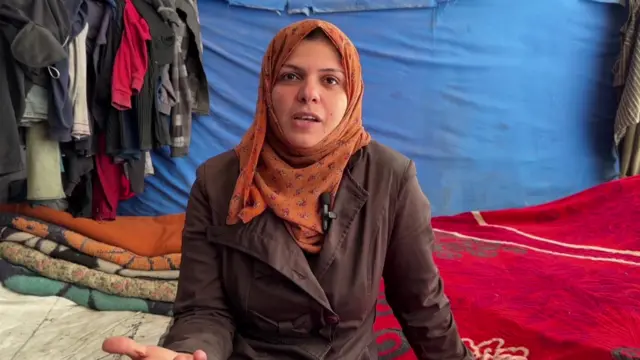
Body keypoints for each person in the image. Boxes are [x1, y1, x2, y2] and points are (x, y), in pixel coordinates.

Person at [102, 19, 472, 360]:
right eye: (291, 76)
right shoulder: (217, 182)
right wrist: (191, 353)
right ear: (268, 88)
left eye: (330, 80)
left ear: (353, 94)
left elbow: (420, 303)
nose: (308, 93)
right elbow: (204, 310)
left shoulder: (390, 177)